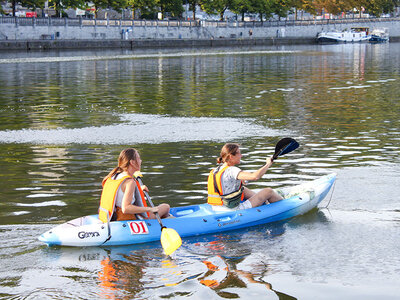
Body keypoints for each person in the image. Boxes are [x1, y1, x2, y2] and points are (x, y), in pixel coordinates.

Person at [99, 148, 170, 222]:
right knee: (165, 207)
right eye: (139, 158)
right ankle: (165, 224)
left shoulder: (113, 176)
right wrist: (149, 209)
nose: (141, 161)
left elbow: (120, 195)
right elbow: (126, 208)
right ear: (132, 162)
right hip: (125, 219)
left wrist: (139, 189)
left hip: (110, 218)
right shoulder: (130, 182)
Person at [207, 143, 283, 211]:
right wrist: (268, 164)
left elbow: (225, 184)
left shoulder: (216, 170)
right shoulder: (232, 170)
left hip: (216, 207)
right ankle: (285, 204)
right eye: (239, 153)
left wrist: (240, 181)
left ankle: (264, 201)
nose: (241, 155)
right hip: (231, 209)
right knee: (268, 191)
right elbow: (255, 177)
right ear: (231, 156)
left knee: (243, 189)